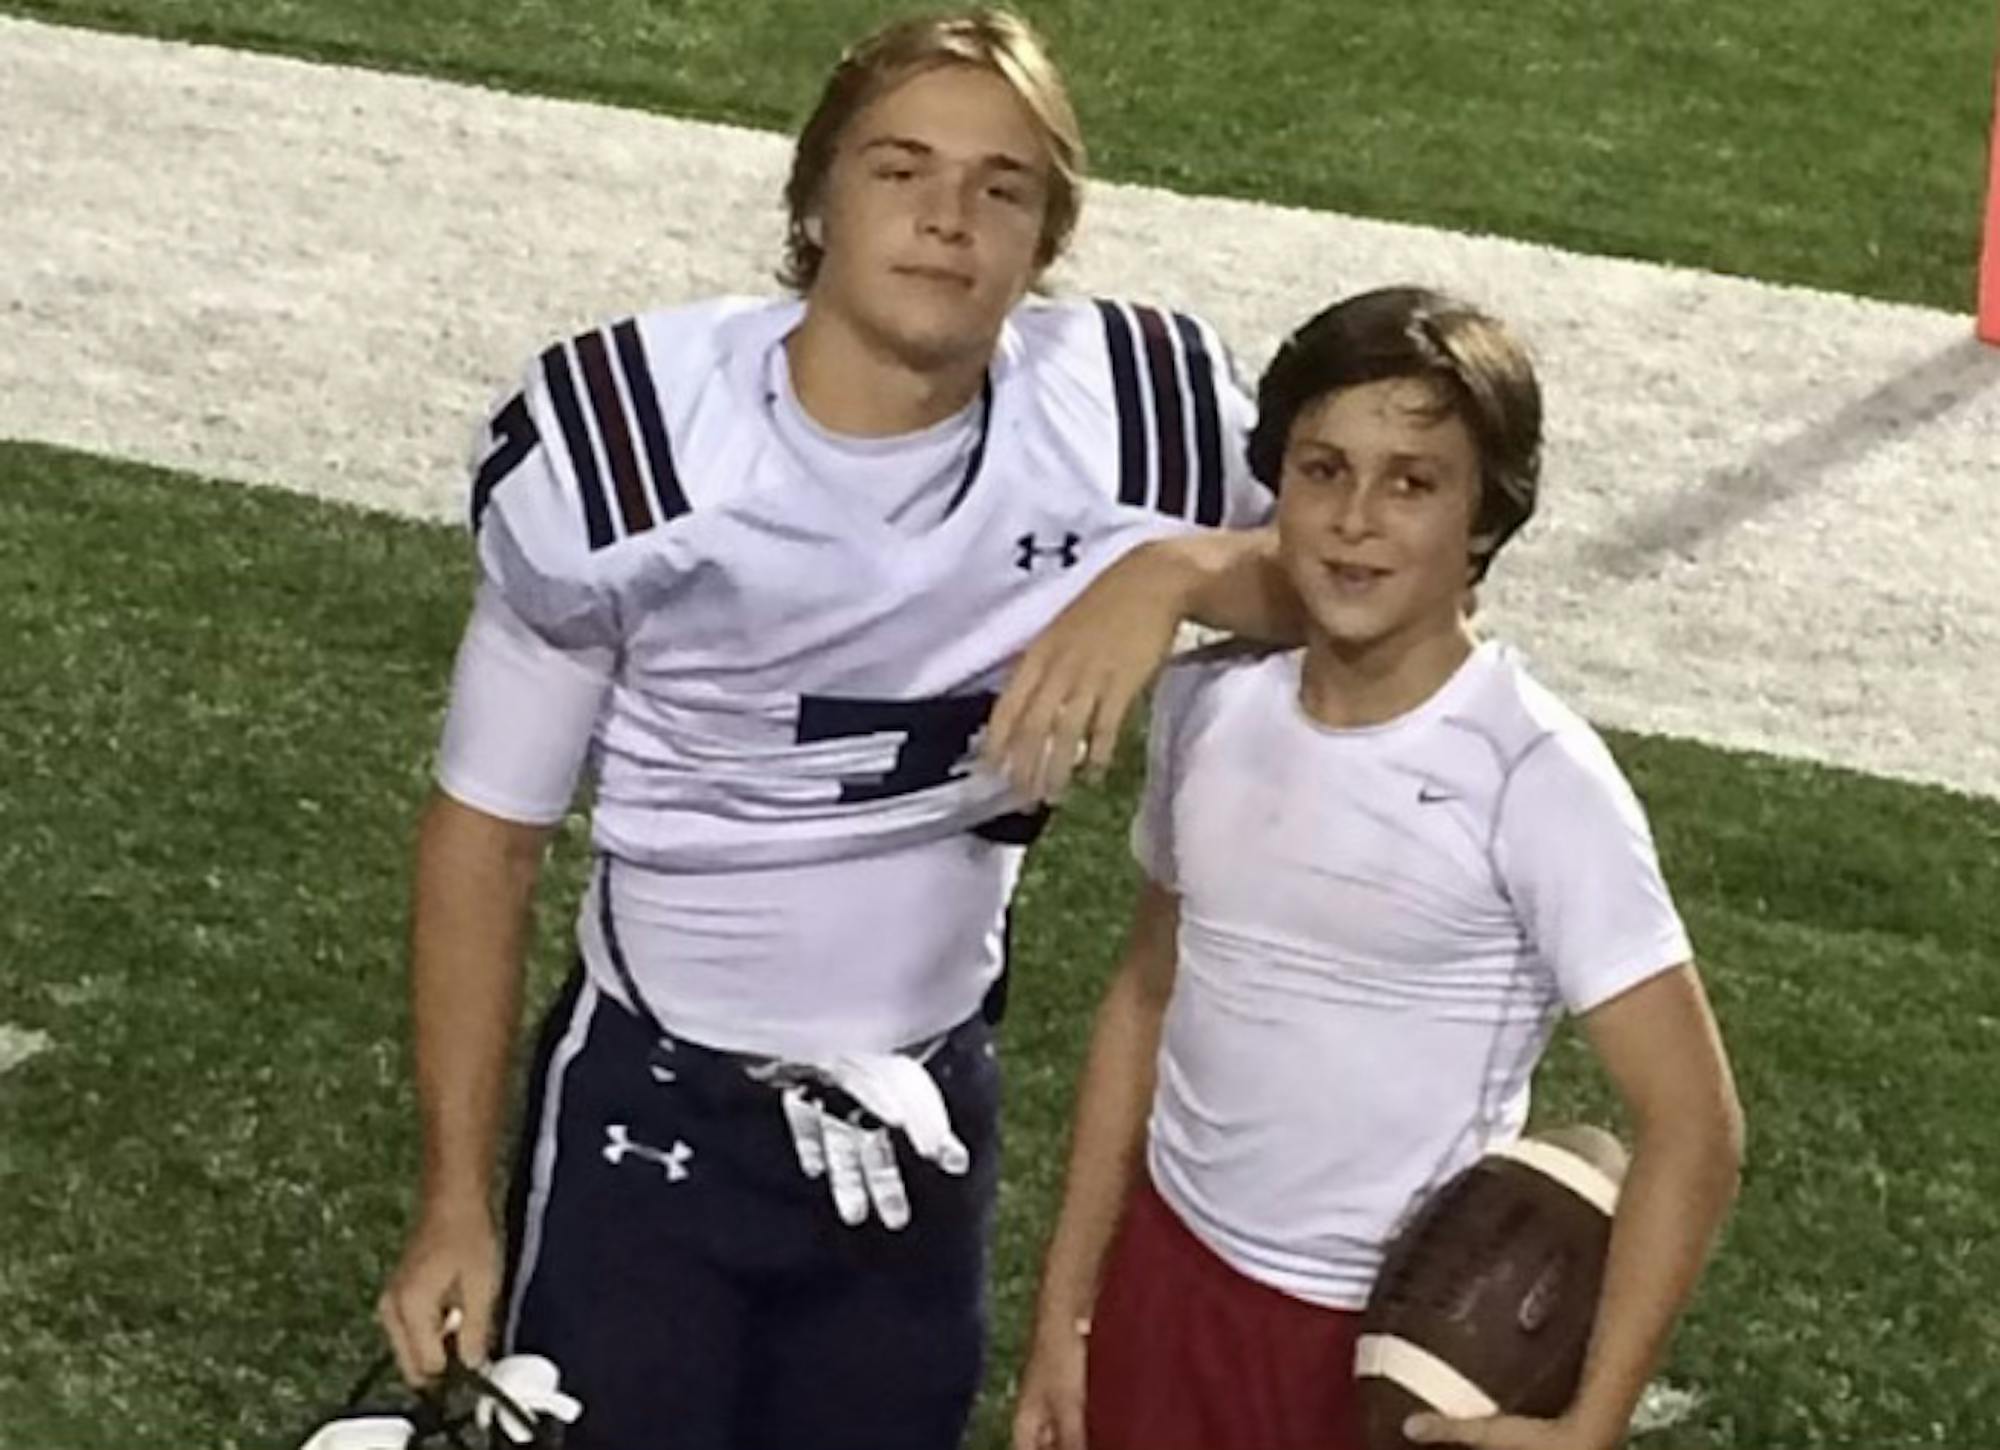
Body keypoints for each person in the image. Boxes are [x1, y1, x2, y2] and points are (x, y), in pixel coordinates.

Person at [373, 10, 1286, 1450]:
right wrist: (450, 1198)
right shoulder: (645, 455)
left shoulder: (1122, 424)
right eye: (899, 170)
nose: (947, 219)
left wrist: (1180, 571)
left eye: (1003, 187)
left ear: (1048, 238)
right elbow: (487, 832)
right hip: (658, 1112)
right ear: (815, 199)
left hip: (929, 1113)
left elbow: (1367, 575)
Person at [1013, 287, 1745, 1450]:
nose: (1356, 518)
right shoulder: (1209, 706)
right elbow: (1146, 993)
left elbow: (1691, 1125)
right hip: (1165, 1280)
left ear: (1484, 519)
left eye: (1412, 481)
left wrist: (1587, 1424)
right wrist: (1067, 1306)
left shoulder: (1533, 775)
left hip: (1380, 1347)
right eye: (1321, 469)